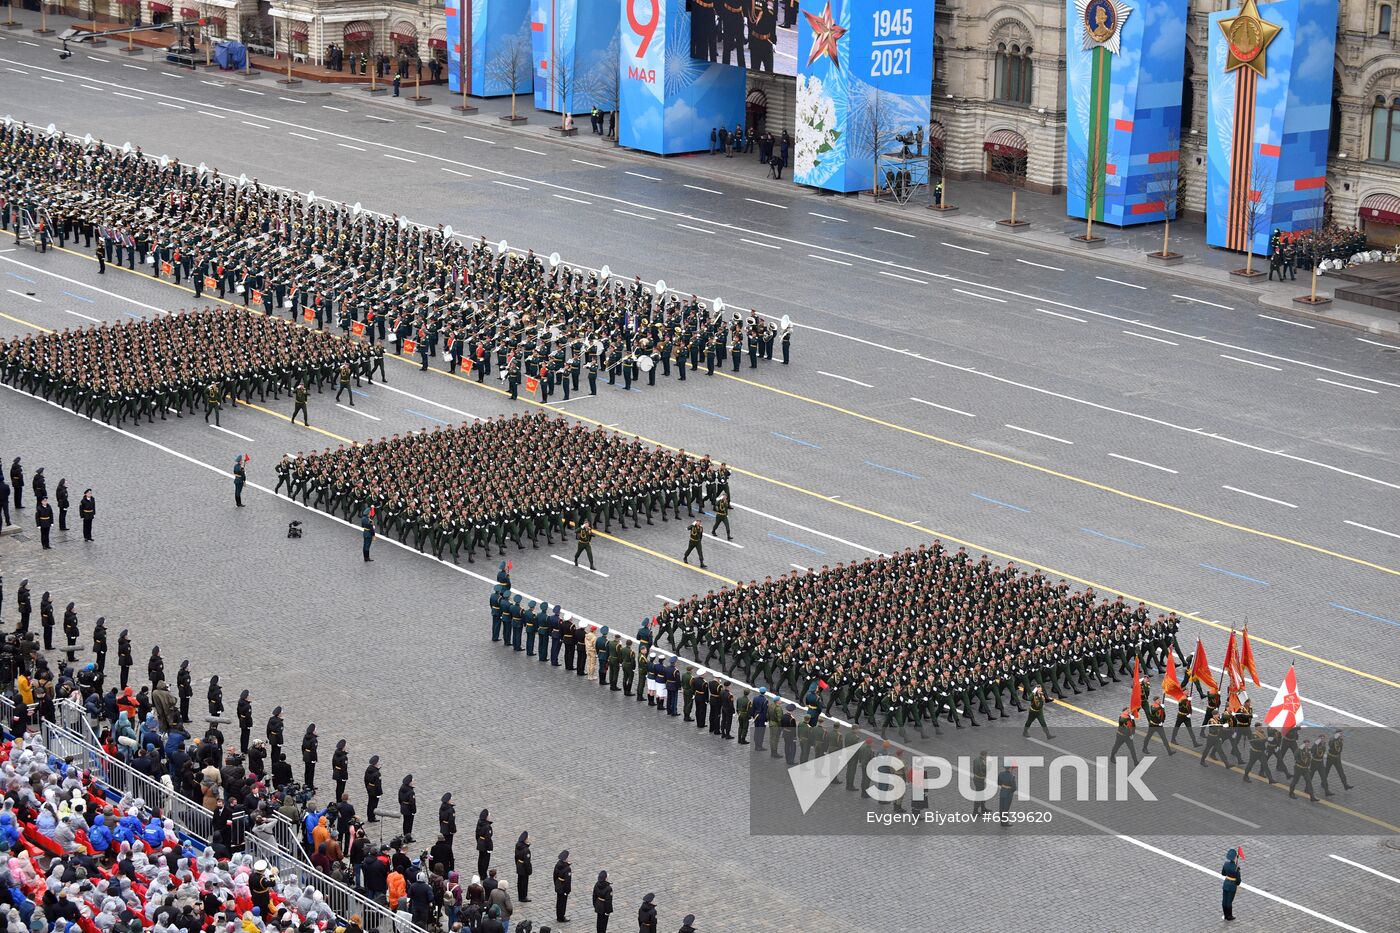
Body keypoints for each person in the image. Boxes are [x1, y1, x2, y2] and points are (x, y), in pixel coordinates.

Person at [1221, 848, 1241, 921]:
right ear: (1235, 857)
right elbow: (1238, 880)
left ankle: (1225, 915)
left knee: (1224, 900)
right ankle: (1229, 916)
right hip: (1232, 886)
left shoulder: (1226, 864)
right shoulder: (1236, 868)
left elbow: (1223, 873)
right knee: (1229, 901)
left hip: (1226, 884)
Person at [551, 849, 571, 923]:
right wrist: (567, 890)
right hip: (563, 887)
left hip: (558, 885)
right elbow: (567, 882)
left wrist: (556, 884)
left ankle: (558, 915)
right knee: (563, 903)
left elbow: (554, 876)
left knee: (559, 901)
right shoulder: (567, 869)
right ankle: (561, 917)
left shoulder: (557, 865)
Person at [475, 808, 493, 879]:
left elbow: (476, 834)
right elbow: (488, 838)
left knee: (481, 858)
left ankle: (480, 872)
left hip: (480, 843)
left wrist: (478, 841)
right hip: (485, 844)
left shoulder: (479, 823)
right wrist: (489, 848)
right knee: (485, 860)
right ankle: (483, 874)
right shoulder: (487, 826)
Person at [513, 831, 531, 902]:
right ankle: (523, 897)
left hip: (519, 865)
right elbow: (527, 862)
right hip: (524, 867)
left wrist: (517, 864)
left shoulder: (518, 845)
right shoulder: (526, 850)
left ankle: (520, 896)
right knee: (524, 882)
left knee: (520, 882)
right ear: (525, 840)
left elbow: (516, 857)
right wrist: (529, 870)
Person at [364, 755, 383, 821]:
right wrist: (379, 793)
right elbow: (378, 785)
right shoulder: (377, 774)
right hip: (375, 791)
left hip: (369, 788)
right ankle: (372, 817)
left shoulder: (368, 769)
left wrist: (367, 787)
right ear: (376, 764)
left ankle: (369, 817)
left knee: (370, 803)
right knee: (374, 805)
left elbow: (365, 779)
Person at [399, 773, 417, 841]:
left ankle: (405, 834)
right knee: (409, 823)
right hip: (409, 809)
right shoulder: (411, 792)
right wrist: (414, 811)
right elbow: (412, 803)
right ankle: (408, 837)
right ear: (409, 783)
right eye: (412, 781)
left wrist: (402, 804)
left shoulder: (402, 787)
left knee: (405, 822)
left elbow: (399, 799)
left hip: (403, 807)